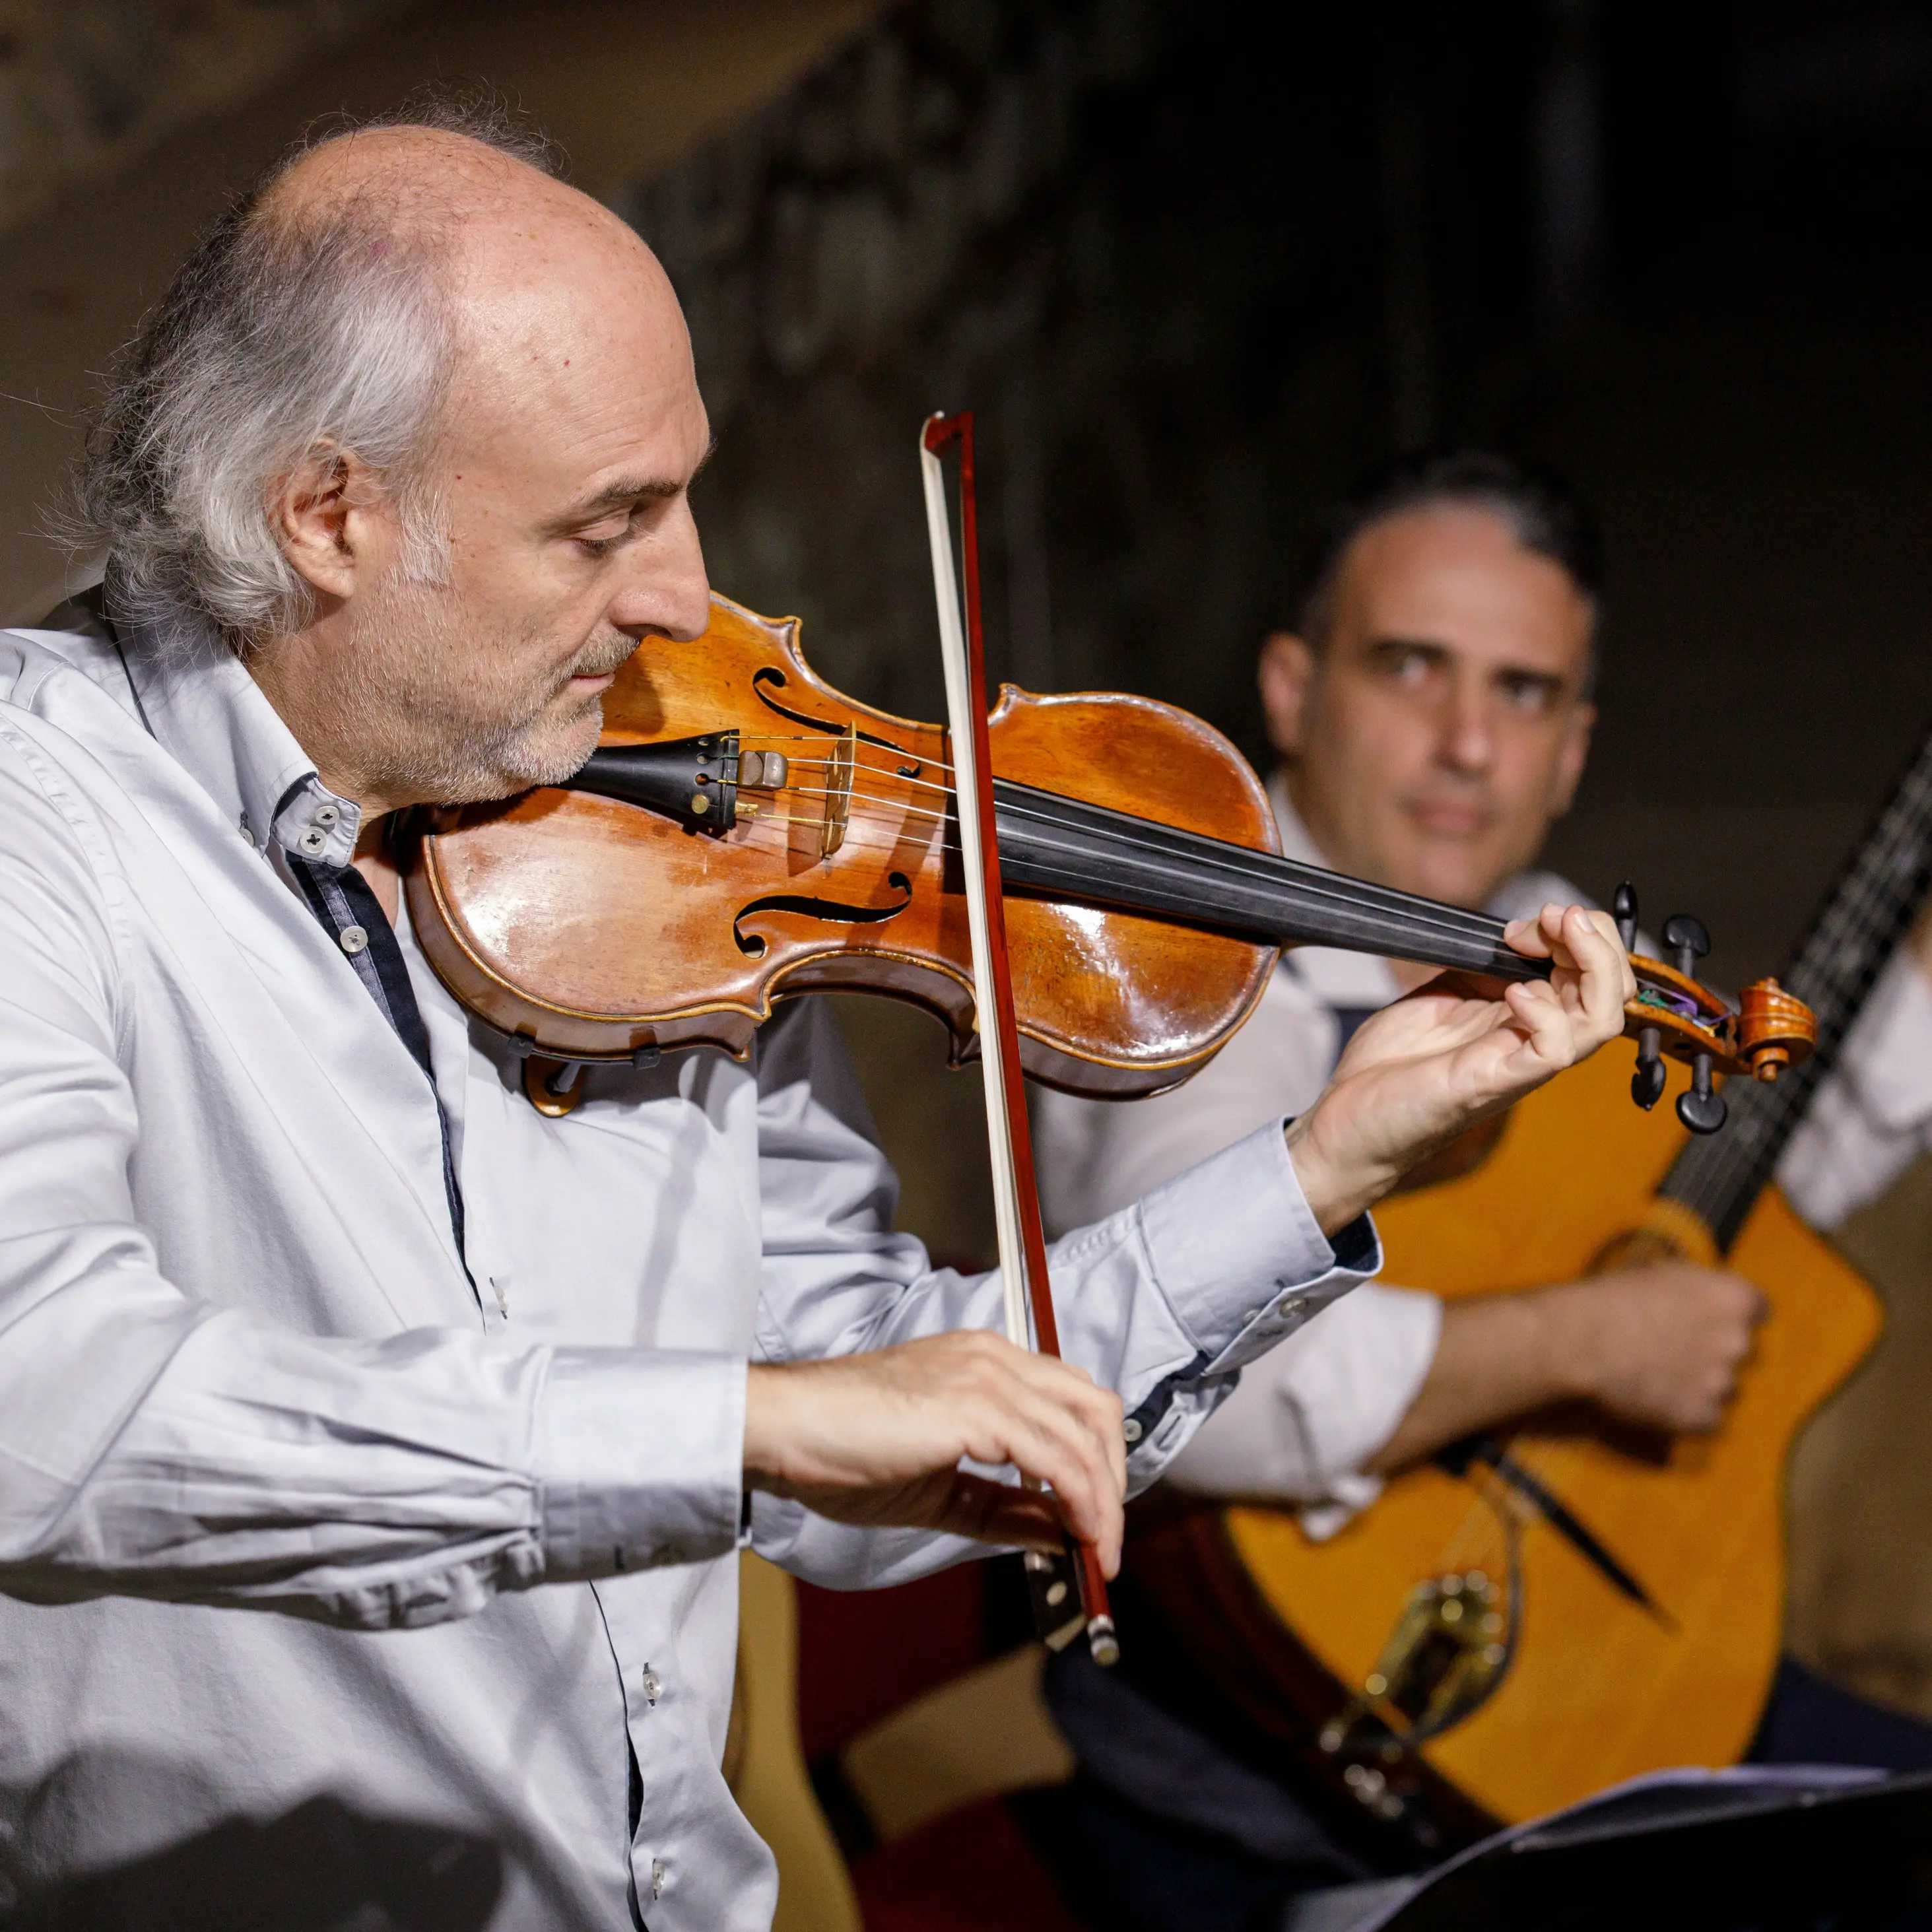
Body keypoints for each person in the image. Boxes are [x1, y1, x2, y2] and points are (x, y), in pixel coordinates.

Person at [0, 111, 1636, 1932]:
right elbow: (46, 1399)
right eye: (602, 525)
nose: (682, 598)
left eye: (683, 493)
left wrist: (1321, 1157)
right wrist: (725, 1424)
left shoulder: (674, 850)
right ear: (330, 515)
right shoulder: (43, 826)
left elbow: (868, 1435)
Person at [1032, 451, 1932, 1931]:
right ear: (1288, 688)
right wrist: (1583, 1342)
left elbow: (1738, 1187)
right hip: (1257, 1795)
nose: (1465, 745)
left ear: (1570, 748)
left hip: (1585, 1671)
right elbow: (1200, 1379)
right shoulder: (1181, 965)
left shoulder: (1539, 932)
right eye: (1408, 667)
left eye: (1520, 694)